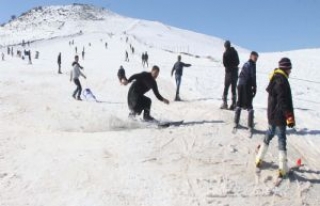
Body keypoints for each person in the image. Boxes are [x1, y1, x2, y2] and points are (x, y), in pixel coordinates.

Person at [255, 57, 295, 178]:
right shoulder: (282, 81)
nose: (291, 71)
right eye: (290, 68)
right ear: (285, 68)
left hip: (272, 114)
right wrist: (289, 117)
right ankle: (283, 169)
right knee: (281, 140)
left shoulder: (275, 78)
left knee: (270, 133)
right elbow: (283, 101)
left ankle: (259, 158)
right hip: (279, 116)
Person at [234, 51, 259, 130]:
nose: (256, 60)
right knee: (249, 105)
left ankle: (236, 122)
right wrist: (254, 87)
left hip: (240, 85)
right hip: (246, 86)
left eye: (257, 58)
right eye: (255, 58)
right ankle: (250, 126)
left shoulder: (246, 64)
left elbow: (241, 75)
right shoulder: (252, 65)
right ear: (251, 56)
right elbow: (253, 77)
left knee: (239, 103)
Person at [221, 40, 240, 110]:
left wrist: (229, 66)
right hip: (235, 72)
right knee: (233, 88)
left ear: (225, 46)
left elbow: (224, 64)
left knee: (226, 88)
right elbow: (238, 62)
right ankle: (234, 104)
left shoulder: (225, 54)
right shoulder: (235, 52)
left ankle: (225, 103)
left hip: (228, 72)